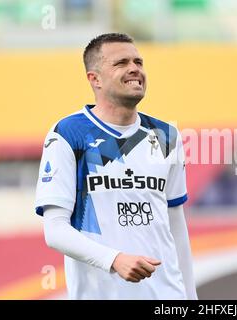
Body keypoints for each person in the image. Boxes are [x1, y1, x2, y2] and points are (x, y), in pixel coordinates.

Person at [35, 33, 197, 300]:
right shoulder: (68, 133)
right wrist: (115, 260)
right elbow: (55, 231)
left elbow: (176, 225)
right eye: (121, 63)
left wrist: (190, 298)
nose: (135, 68)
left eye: (138, 62)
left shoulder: (166, 135)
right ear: (94, 79)